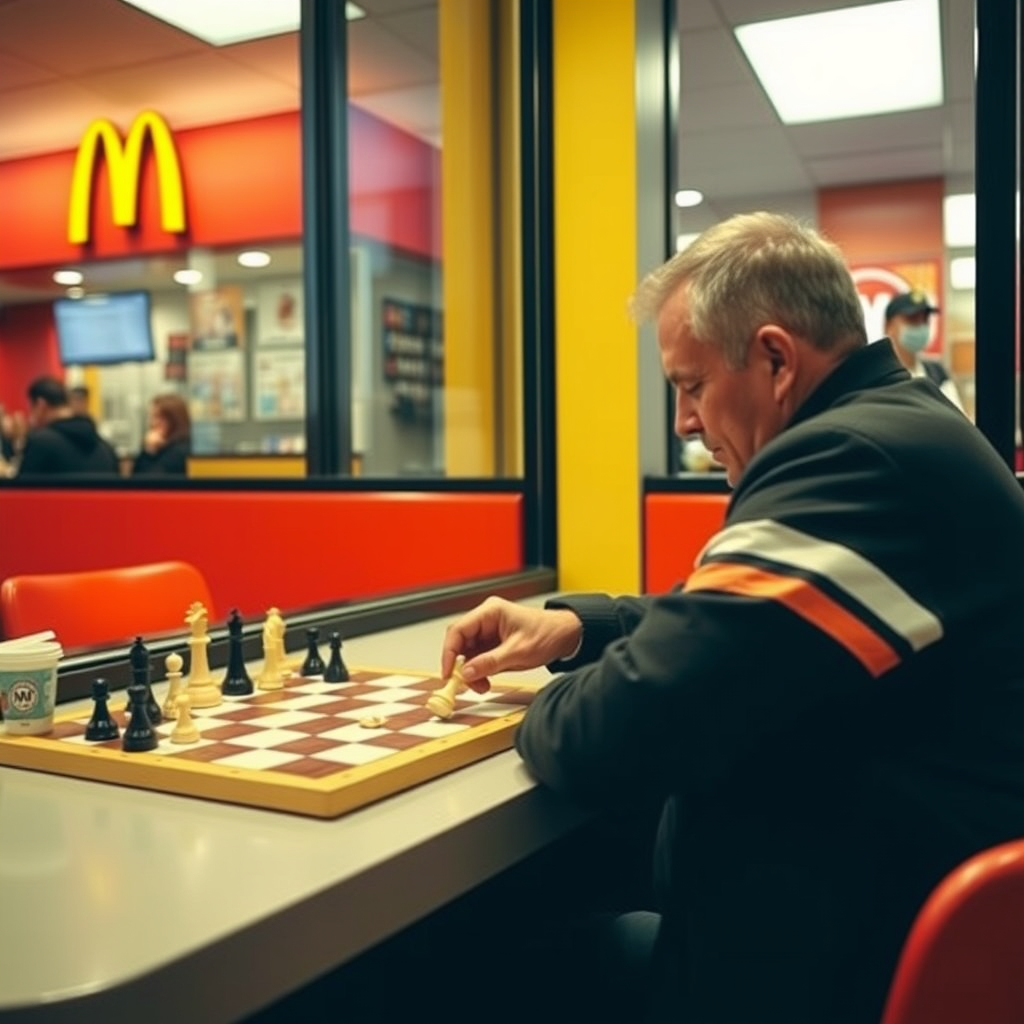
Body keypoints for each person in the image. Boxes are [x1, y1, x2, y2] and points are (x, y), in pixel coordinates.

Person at [440, 212, 1024, 1024]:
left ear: (777, 359)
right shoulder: (904, 428)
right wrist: (589, 628)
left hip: (833, 969)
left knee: (466, 970)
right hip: (877, 909)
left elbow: (614, 735)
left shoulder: (852, 459)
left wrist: (532, 709)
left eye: (691, 384)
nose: (684, 422)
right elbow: (753, 626)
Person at [17, 375, 119, 476]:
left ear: (41, 405)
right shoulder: (106, 448)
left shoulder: (39, 443)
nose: (30, 416)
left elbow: (22, 490)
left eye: (30, 409)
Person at [884, 289, 966, 413]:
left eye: (925, 320)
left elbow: (959, 418)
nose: (920, 326)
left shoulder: (937, 374)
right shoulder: (879, 377)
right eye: (912, 319)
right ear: (889, 326)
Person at [131, 393, 191, 475]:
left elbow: (149, 481)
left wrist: (150, 451)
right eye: (151, 416)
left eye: (158, 417)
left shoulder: (179, 452)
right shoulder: (161, 447)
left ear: (174, 419)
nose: (153, 423)